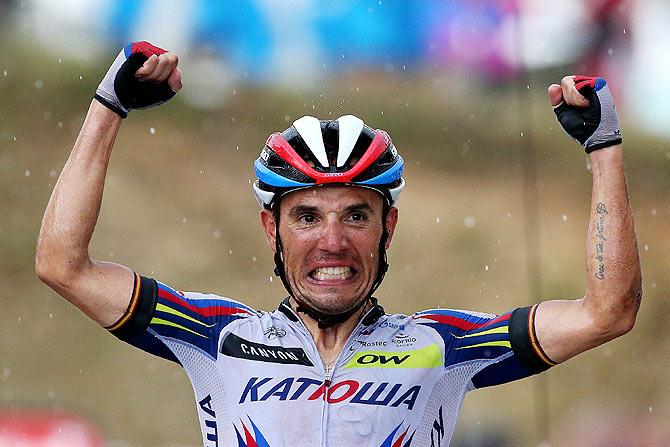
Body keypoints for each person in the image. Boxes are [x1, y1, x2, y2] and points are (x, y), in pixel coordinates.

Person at [36, 42, 641, 446]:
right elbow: (62, 265)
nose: (332, 242)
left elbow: (607, 312)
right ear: (271, 229)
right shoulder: (217, 338)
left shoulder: (442, 346)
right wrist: (109, 105)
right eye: (306, 217)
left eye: (356, 215)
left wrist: (604, 150)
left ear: (389, 229)